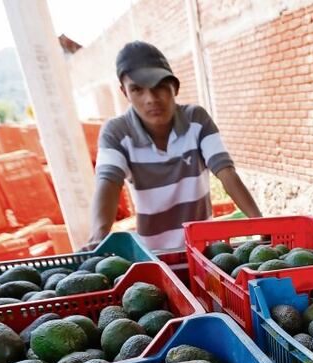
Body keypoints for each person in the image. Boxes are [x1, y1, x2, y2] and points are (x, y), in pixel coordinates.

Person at [88, 41, 262, 251]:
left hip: (204, 251)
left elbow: (225, 171)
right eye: (137, 90)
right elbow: (108, 182)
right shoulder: (117, 132)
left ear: (174, 87)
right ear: (125, 93)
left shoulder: (196, 120)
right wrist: (97, 238)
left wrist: (260, 224)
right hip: (155, 255)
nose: (150, 99)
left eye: (159, 87)